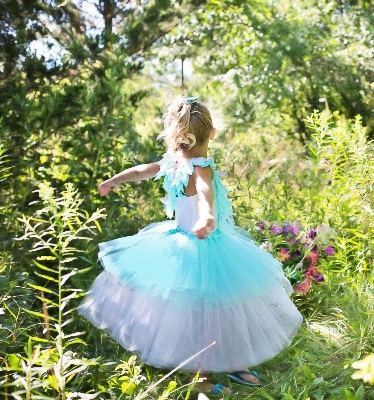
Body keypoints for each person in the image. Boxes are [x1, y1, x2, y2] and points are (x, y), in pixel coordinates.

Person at [78, 96, 303, 395]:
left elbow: (141, 170)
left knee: (214, 309)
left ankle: (232, 361)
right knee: (211, 310)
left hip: (190, 241)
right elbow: (205, 193)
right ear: (212, 133)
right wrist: (207, 217)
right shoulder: (201, 165)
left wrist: (112, 181)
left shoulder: (172, 162)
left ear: (175, 134)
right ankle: (202, 375)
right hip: (203, 245)